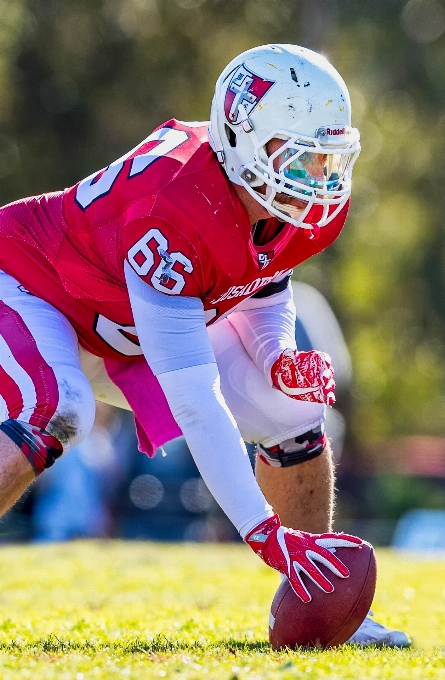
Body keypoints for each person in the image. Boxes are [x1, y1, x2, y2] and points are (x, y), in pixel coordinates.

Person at [0, 44, 408, 644]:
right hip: (34, 281)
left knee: (290, 408)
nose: (317, 182)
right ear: (244, 140)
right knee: (60, 409)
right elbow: (195, 398)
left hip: (122, 325)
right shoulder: (176, 203)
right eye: (299, 160)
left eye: (326, 161)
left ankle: (318, 602)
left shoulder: (292, 201)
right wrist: (261, 529)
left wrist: (276, 355)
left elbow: (266, 282)